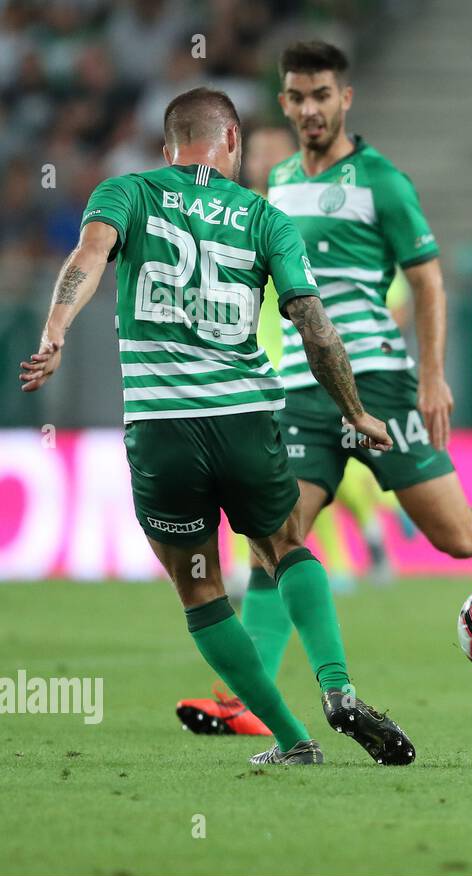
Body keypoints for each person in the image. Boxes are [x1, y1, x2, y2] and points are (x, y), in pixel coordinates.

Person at [20, 87, 414, 766]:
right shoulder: (264, 215)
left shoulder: (127, 191)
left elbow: (87, 259)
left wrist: (56, 328)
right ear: (230, 141)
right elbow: (316, 328)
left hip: (163, 429)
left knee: (200, 585)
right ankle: (339, 687)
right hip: (246, 423)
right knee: (285, 546)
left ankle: (293, 739)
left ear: (168, 144)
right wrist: (354, 410)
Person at [175, 41, 472, 730]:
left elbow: (426, 280)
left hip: (383, 388)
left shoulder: (383, 182)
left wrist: (431, 376)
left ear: (346, 99)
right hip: (304, 394)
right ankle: (245, 701)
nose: (311, 109)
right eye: (298, 97)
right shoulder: (275, 182)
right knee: (277, 535)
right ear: (285, 101)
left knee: (457, 535)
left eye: (322, 96)